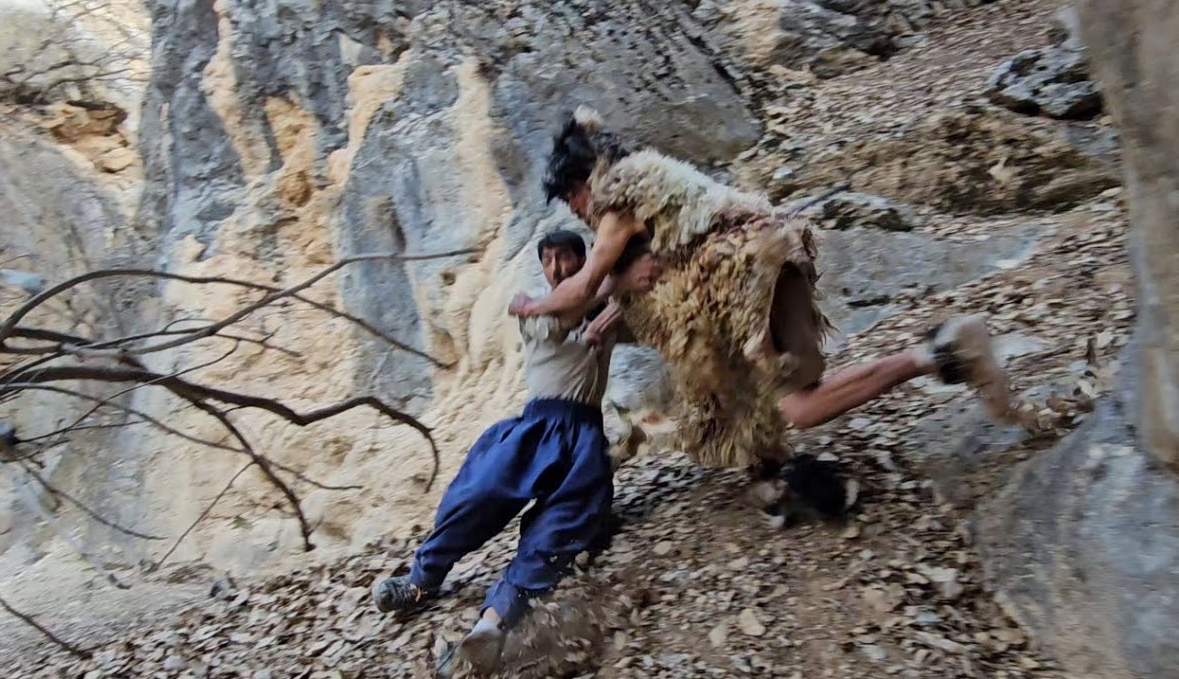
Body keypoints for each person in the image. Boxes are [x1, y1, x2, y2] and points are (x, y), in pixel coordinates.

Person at [509, 106, 1014, 475]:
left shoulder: (618, 199)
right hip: (769, 258)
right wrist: (620, 291)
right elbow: (635, 275)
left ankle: (945, 350)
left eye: (572, 198)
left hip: (748, 274)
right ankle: (784, 472)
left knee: (799, 406)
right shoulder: (647, 178)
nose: (576, 210)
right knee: (780, 398)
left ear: (585, 182)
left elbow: (582, 289)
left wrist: (530, 305)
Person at [371, 230, 663, 676]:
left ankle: (489, 629)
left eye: (565, 258)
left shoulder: (604, 313)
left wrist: (628, 287)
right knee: (476, 497)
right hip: (537, 428)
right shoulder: (536, 309)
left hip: (584, 438)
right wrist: (616, 283)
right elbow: (569, 306)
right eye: (548, 260)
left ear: (585, 259)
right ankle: (419, 582)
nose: (556, 268)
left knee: (557, 533)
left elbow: (643, 311)